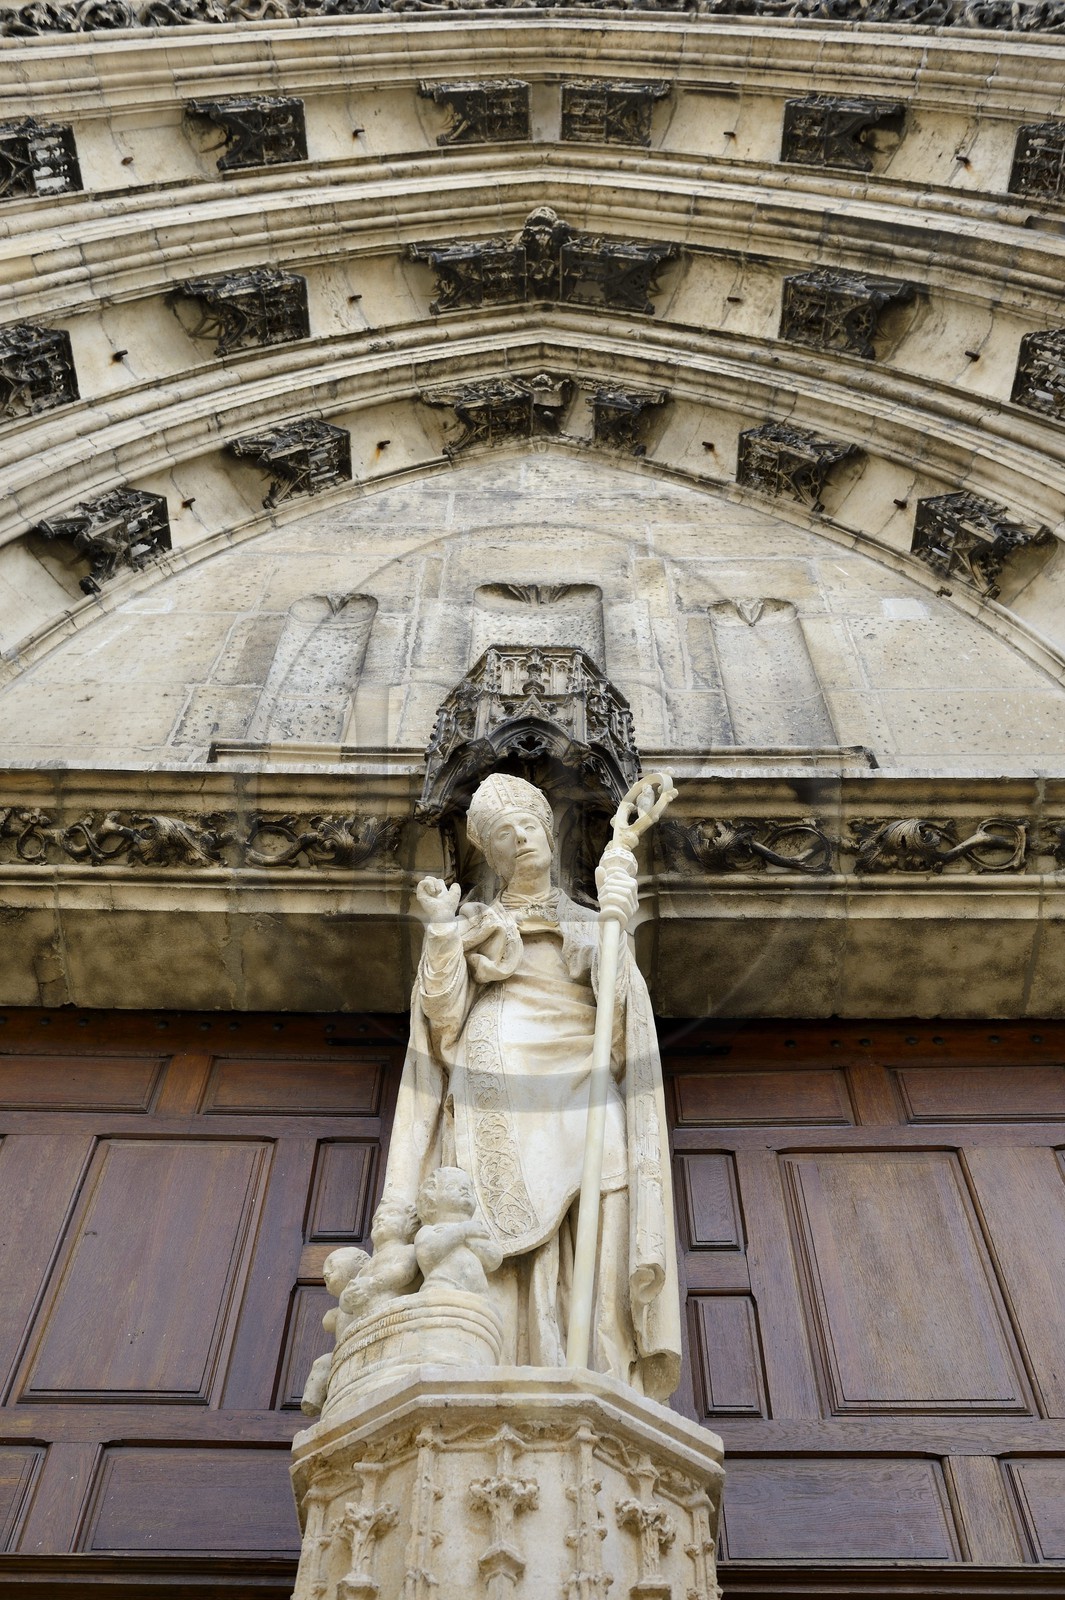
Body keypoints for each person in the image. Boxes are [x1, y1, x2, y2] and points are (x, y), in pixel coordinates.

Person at [374, 772, 681, 1399]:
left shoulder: (593, 924)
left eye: (529, 825)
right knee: (491, 1226)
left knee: (595, 1208)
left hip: (585, 1079)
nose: (523, 839)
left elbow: (625, 1031)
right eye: (505, 834)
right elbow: (441, 1018)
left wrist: (614, 923)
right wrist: (439, 931)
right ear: (494, 853)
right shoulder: (476, 925)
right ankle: (499, 1365)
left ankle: (588, 1370)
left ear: (549, 830)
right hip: (498, 1071)